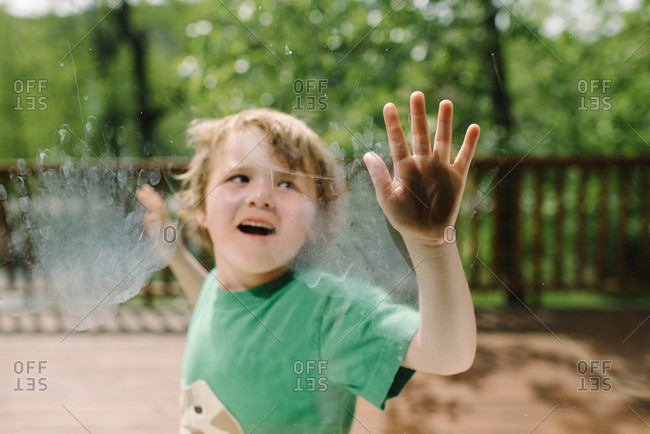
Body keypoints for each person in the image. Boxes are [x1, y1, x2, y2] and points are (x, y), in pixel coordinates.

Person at [136, 91, 480, 433]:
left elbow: (447, 352)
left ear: (318, 221)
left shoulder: (329, 313)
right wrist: (175, 256)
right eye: (239, 177)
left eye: (286, 183)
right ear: (201, 206)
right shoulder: (219, 284)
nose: (260, 197)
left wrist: (430, 244)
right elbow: (215, 308)